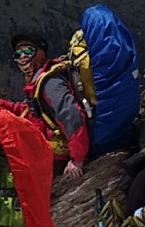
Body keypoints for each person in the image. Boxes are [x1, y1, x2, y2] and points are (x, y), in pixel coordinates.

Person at [11, 32, 89, 180]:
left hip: (58, 159)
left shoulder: (49, 82)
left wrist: (77, 159)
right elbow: (33, 110)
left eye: (28, 51)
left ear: (40, 53)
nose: (22, 57)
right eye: (18, 53)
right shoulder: (37, 80)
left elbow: (71, 115)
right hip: (50, 154)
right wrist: (1, 106)